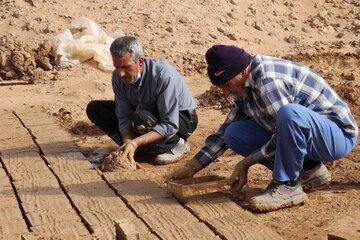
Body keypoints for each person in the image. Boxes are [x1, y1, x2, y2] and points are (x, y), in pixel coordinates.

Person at [169, 45, 358, 212]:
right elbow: (225, 130)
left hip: (336, 137)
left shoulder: (268, 81)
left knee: (289, 114)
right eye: (221, 88)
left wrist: (247, 162)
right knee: (233, 134)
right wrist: (195, 164)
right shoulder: (244, 86)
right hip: (309, 138)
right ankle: (310, 171)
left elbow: (284, 133)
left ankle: (287, 186)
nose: (226, 92)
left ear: (242, 71)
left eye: (227, 85)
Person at [86, 36, 198, 165]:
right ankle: (142, 148)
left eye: (126, 67)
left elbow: (170, 124)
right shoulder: (118, 77)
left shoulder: (163, 75)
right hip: (143, 114)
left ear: (140, 61)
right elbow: (123, 115)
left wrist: (136, 142)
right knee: (95, 109)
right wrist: (128, 140)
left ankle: (176, 144)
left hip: (181, 118)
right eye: (117, 67)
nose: (121, 73)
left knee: (141, 118)